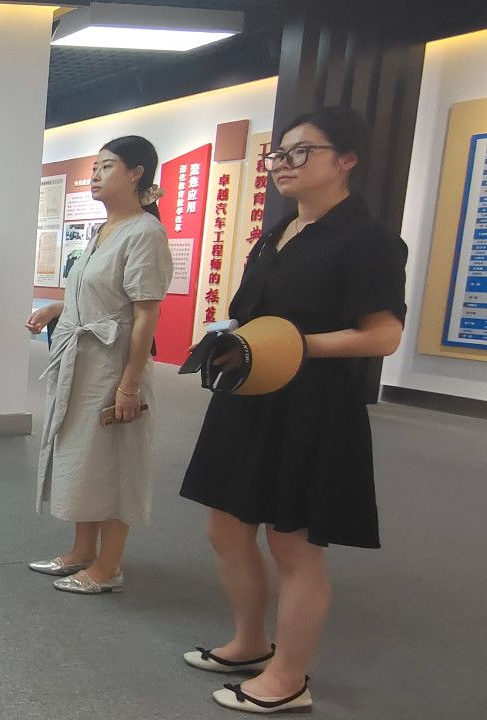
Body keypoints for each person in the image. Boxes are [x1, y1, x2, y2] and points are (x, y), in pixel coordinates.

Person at [178, 108, 406, 715]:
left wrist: (294, 345)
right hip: (250, 394)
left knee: (294, 546)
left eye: (301, 152)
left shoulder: (368, 240)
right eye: (278, 153)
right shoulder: (277, 232)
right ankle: (250, 642)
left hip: (313, 409)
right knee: (226, 527)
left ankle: (288, 678)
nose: (282, 163)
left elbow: (384, 335)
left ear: (347, 159)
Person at [25, 136, 172, 594]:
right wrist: (56, 310)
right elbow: (94, 296)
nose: (95, 176)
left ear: (137, 173)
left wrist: (129, 385)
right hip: (83, 362)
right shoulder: (104, 230)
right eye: (94, 168)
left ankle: (109, 566)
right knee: (82, 457)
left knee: (113, 462)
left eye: (106, 166)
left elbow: (146, 314)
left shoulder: (145, 233)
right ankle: (82, 550)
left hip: (113, 366)